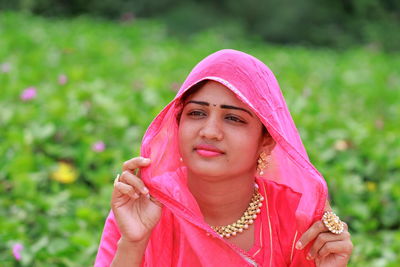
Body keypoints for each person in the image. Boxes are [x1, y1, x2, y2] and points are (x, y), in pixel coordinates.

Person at [95, 49, 353, 266]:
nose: (209, 131)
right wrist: (133, 244)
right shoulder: (143, 206)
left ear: (266, 139)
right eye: (196, 113)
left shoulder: (295, 219)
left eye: (233, 119)